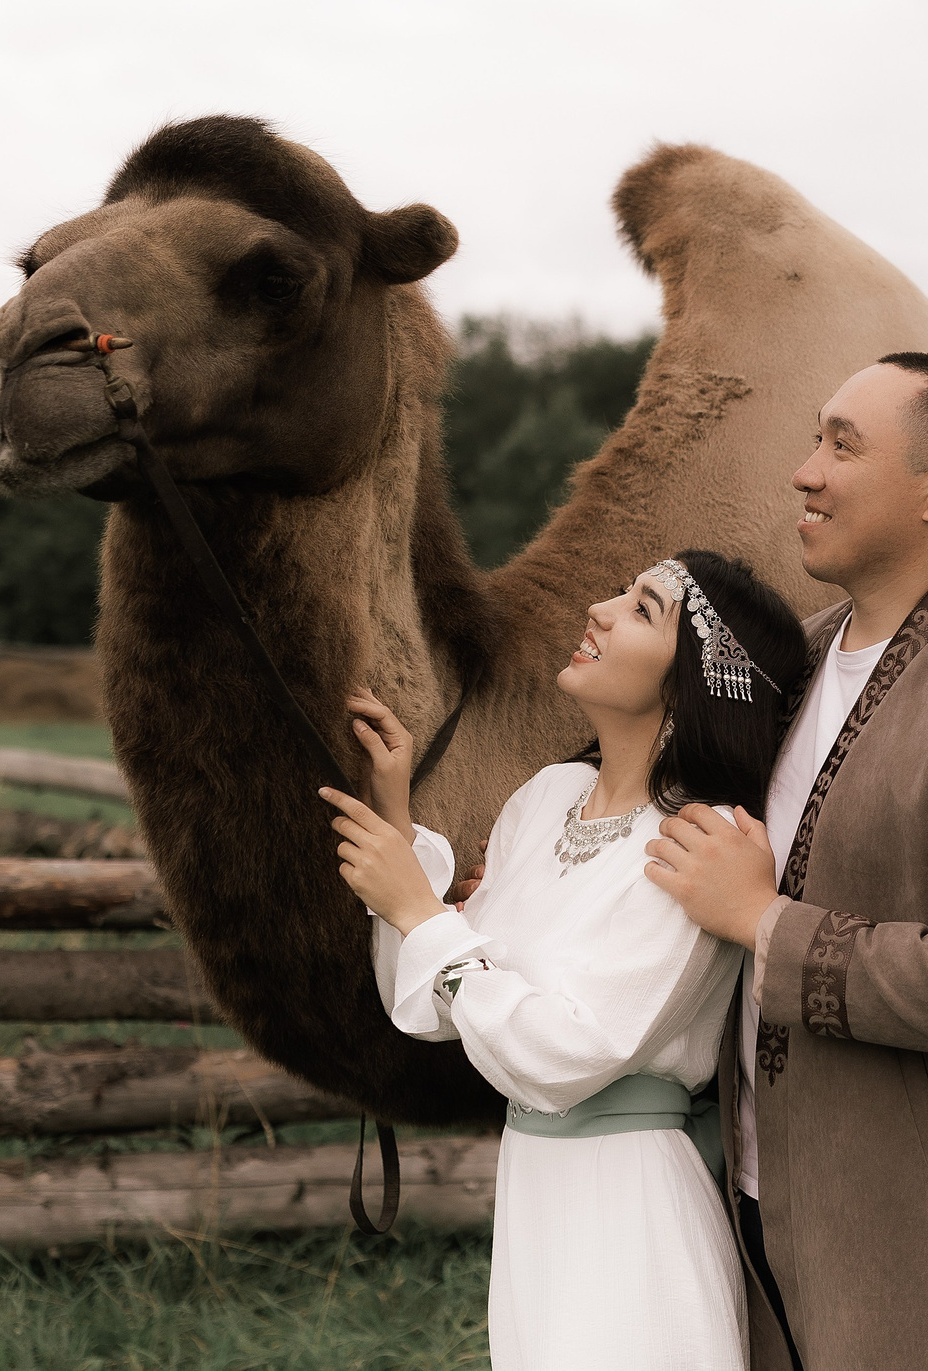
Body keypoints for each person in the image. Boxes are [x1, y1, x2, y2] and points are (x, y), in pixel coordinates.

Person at [644, 352, 928, 1371]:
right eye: (815, 439)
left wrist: (762, 921)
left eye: (842, 445)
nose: (805, 471)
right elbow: (688, 833)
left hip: (921, 1235)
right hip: (756, 1202)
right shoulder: (795, 661)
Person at [326, 549, 813, 1371]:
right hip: (535, 1194)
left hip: (630, 1205)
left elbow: (565, 1054)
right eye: (619, 590)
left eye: (642, 609)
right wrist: (399, 821)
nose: (599, 608)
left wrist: (417, 906)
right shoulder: (544, 798)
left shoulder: (707, 841)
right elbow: (432, 1005)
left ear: (699, 677)